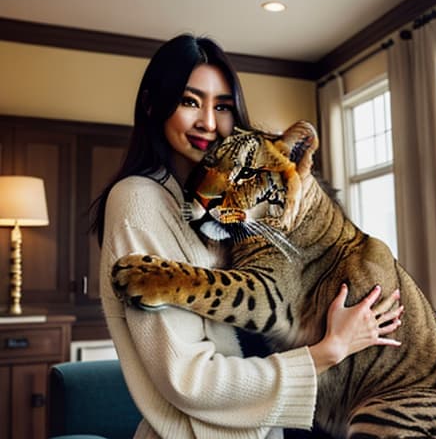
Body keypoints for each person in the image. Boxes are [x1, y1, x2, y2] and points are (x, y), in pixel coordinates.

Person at [92, 34, 403, 439]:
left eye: (221, 106)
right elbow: (189, 380)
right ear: (152, 105)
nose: (208, 121)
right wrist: (328, 351)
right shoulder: (138, 200)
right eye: (190, 101)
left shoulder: (218, 207)